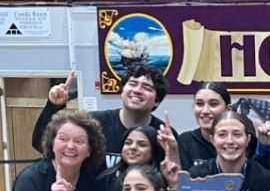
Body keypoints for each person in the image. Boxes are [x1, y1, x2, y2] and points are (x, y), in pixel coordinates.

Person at [33, 65, 172, 169]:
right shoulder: (93, 123)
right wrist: (54, 106)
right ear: (122, 90)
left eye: (147, 88)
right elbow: (41, 144)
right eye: (133, 84)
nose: (137, 91)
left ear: (157, 100)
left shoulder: (163, 135)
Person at [98, 126, 165, 191]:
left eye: (142, 145)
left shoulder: (162, 181)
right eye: (128, 143)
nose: (133, 147)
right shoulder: (106, 179)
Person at [176, 82, 230, 170]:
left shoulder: (238, 141)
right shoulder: (185, 141)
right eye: (199, 104)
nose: (205, 111)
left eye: (213, 104)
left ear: (228, 109)